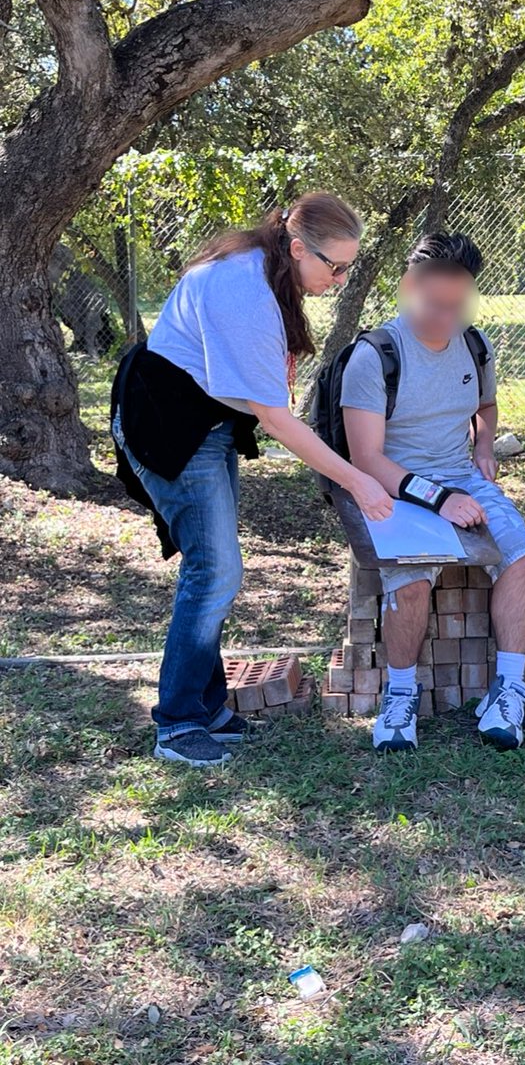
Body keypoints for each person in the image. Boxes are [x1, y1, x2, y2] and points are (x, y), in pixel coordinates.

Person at [110, 192, 392, 767]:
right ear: (296, 247)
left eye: (348, 269)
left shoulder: (267, 272)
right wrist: (359, 481)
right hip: (168, 426)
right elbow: (279, 420)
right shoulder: (245, 291)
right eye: (334, 267)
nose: (340, 280)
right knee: (215, 570)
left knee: (212, 569)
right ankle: (179, 721)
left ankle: (207, 707)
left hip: (203, 423)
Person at [340, 232, 525, 752]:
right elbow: (368, 461)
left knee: (520, 552)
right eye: (433, 303)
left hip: (463, 476)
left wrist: (485, 446)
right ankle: (400, 695)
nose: (445, 316)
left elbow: (485, 407)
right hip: (397, 487)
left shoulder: (476, 345)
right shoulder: (375, 355)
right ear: (408, 288)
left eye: (457, 304)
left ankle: (508, 690)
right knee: (411, 576)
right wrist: (440, 499)